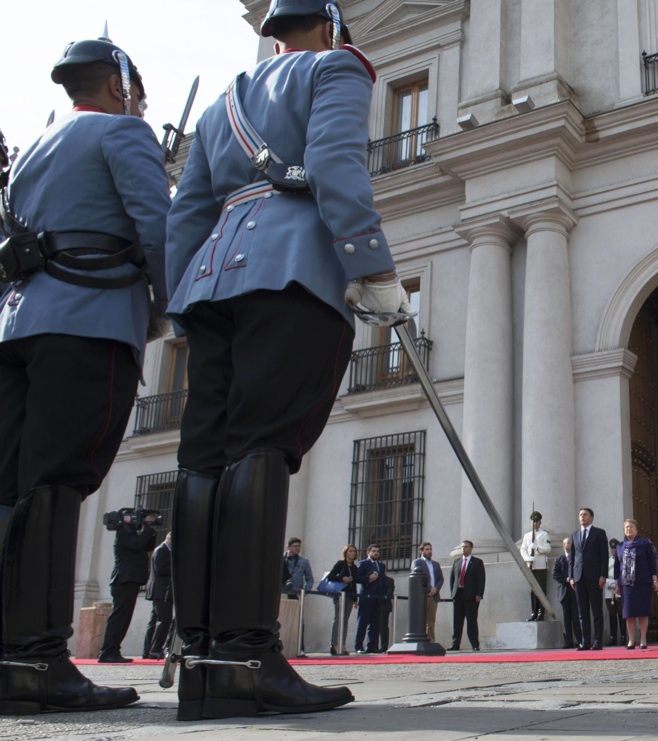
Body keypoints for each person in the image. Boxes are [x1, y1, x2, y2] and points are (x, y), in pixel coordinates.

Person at [164, 0, 406, 721]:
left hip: (212, 288)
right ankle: (248, 655)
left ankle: (203, 659)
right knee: (262, 445)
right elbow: (334, 161)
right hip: (293, 271)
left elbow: (187, 214)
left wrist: (186, 299)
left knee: (204, 456)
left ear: (273, 35)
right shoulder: (339, 66)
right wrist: (371, 265)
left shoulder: (222, 105)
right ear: (331, 27)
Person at [0, 34, 169, 714]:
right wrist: (168, 310)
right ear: (120, 84)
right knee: (58, 479)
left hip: (19, 324)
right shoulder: (126, 136)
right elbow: (157, 228)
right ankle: (38, 656)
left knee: (12, 483)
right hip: (89, 319)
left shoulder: (35, 148)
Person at [100, 510, 158, 663]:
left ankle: (113, 650)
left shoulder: (131, 533)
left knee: (124, 619)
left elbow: (146, 546)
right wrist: (146, 529)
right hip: (123, 581)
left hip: (129, 581)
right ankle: (107, 652)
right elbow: (136, 544)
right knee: (119, 618)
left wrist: (150, 530)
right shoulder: (122, 532)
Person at [615, 519, 658, 649]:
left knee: (642, 611)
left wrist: (655, 580)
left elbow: (652, 563)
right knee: (629, 613)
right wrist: (617, 584)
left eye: (631, 527)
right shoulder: (620, 546)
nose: (629, 529)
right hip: (626, 584)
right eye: (627, 527)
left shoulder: (645, 544)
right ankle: (631, 640)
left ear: (637, 530)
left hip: (642, 582)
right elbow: (617, 566)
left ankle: (643, 639)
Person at [569, 508, 609, 651]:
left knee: (596, 611)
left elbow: (604, 556)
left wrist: (603, 575)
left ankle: (597, 641)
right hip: (579, 578)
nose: (582, 517)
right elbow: (572, 558)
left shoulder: (599, 533)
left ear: (591, 518)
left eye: (585, 515)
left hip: (595, 578)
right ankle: (585, 641)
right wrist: (571, 577)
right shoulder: (574, 535)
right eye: (580, 515)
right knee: (582, 612)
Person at [142, 532, 174, 661]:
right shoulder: (162, 550)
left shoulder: (164, 550)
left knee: (154, 621)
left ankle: (148, 649)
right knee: (164, 620)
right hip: (162, 591)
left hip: (161, 591)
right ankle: (155, 649)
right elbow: (161, 569)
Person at [449, 540, 485, 651]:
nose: (463, 549)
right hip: (458, 595)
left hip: (471, 596)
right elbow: (452, 579)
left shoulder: (477, 562)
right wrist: (453, 593)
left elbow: (481, 580)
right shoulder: (456, 562)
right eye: (462, 547)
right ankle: (455, 644)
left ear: (471, 548)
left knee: (472, 621)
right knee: (457, 622)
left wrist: (479, 594)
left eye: (466, 547)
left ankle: (475, 644)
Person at [325, 544, 358, 656]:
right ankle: (334, 644)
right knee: (338, 619)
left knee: (345, 621)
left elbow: (354, 584)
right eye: (350, 551)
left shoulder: (354, 567)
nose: (352, 553)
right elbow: (330, 576)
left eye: (354, 551)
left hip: (349, 595)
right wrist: (342, 578)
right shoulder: (340, 564)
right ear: (346, 552)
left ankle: (342, 644)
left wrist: (355, 599)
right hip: (340, 594)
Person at [519, 511, 552, 621]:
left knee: (541, 589)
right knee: (533, 590)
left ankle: (541, 612)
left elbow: (548, 549)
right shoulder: (527, 535)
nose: (535, 523)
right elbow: (522, 549)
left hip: (541, 565)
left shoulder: (544, 534)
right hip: (531, 565)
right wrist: (527, 558)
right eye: (533, 522)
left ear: (540, 522)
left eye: (537, 521)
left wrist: (537, 548)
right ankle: (533, 612)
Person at [354, 544, 386, 654]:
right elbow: (357, 578)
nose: (376, 553)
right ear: (368, 553)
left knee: (375, 624)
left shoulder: (381, 566)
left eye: (377, 551)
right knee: (362, 623)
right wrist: (368, 578)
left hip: (377, 598)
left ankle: (372, 646)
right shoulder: (363, 563)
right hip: (366, 598)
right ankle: (359, 646)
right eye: (374, 551)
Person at [552, 537, 582, 648]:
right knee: (566, 618)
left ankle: (579, 640)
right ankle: (568, 641)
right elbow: (555, 574)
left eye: (570, 542)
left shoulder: (576, 558)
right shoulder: (559, 559)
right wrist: (566, 579)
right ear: (563, 545)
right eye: (567, 543)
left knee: (576, 617)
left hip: (574, 592)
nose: (569, 544)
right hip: (564, 592)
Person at [412, 542, 444, 643]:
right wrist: (429, 588)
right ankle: (420, 641)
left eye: (430, 549)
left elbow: (440, 579)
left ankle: (431, 641)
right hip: (423, 595)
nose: (429, 551)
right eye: (427, 549)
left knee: (431, 621)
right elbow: (418, 577)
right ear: (421, 551)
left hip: (434, 596)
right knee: (421, 620)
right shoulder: (417, 562)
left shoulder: (436, 564)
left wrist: (436, 589)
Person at [604, 538, 625, 646]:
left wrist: (617, 584)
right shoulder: (607, 560)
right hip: (609, 590)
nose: (613, 551)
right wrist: (610, 583)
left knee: (621, 613)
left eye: (615, 548)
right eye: (612, 549)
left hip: (619, 589)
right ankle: (613, 637)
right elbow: (603, 574)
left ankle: (623, 636)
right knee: (612, 614)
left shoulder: (622, 560)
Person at [379, 574, 395, 651]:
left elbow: (390, 592)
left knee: (383, 627)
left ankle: (383, 646)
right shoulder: (373, 579)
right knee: (372, 627)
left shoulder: (389, 580)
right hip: (373, 605)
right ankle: (372, 645)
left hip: (384, 605)